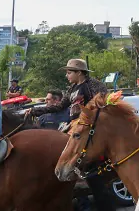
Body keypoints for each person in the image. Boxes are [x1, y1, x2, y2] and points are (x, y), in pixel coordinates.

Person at [27, 58, 113, 211]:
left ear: (79, 72)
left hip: (90, 127)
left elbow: (103, 105)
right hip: (74, 125)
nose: (67, 76)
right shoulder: (72, 89)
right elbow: (59, 107)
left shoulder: (93, 85)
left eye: (69, 72)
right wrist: (35, 110)